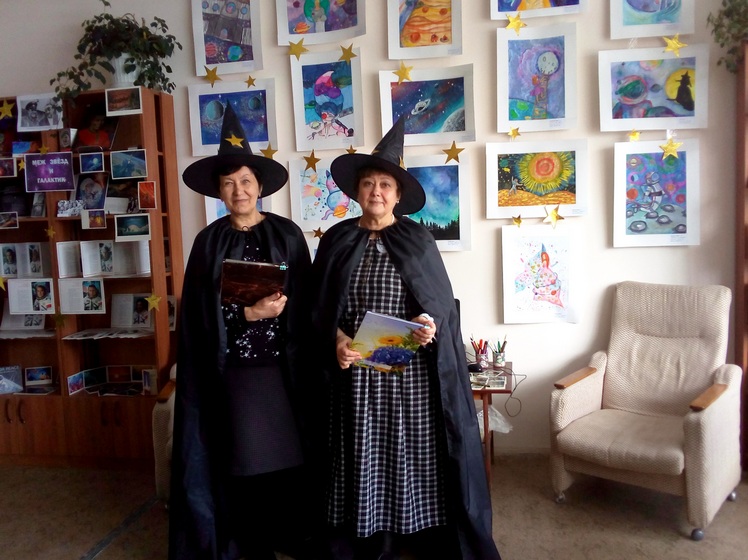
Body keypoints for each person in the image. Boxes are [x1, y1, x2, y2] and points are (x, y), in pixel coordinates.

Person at [311, 118, 501, 559]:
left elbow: (439, 305)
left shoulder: (418, 239)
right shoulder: (337, 239)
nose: (376, 192)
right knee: (361, 454)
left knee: (407, 453)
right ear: (356, 191)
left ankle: (411, 534)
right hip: (354, 374)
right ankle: (366, 535)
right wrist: (337, 339)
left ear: (398, 195)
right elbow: (318, 306)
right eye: (368, 183)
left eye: (385, 185)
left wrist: (428, 322)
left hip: (407, 373)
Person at [169, 104, 322, 560]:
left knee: (291, 457)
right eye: (229, 183)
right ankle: (251, 544)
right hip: (234, 370)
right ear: (219, 191)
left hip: (284, 367)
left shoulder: (288, 235)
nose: (239, 190)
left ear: (259, 186)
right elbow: (198, 317)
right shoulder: (208, 242)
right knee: (245, 459)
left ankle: (290, 535)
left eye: (246, 181)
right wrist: (247, 315)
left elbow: (309, 301)